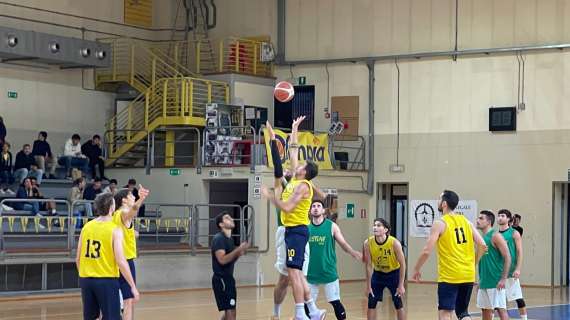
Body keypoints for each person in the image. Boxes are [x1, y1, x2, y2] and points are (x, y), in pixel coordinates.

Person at [262, 116, 326, 320]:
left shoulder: (301, 185)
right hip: (290, 231)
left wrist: (271, 197)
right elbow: (292, 152)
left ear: (303, 171)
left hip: (296, 230)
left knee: (295, 273)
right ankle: (310, 310)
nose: (294, 165)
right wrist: (292, 129)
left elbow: (288, 206)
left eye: (299, 166)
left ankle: (302, 312)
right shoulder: (289, 183)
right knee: (293, 274)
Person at [411, 190, 486, 320]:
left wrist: (416, 269)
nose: (437, 201)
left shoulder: (440, 223)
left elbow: (426, 251)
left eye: (439, 199)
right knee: (462, 313)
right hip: (468, 274)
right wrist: (473, 262)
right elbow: (483, 245)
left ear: (444, 203)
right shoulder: (467, 222)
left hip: (449, 275)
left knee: (445, 312)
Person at [76, 192, 139, 320]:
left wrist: (85, 277)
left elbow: (78, 259)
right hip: (106, 280)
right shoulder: (115, 229)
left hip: (86, 280)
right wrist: (132, 285)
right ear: (111, 208)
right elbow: (121, 261)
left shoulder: (86, 227)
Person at [306, 199, 362, 320]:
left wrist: (353, 252)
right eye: (313, 206)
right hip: (311, 271)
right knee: (307, 305)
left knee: (335, 302)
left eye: (318, 206)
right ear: (310, 211)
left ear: (323, 210)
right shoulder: (306, 228)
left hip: (328, 270)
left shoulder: (331, 226)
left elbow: (343, 243)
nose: (315, 208)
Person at [113, 186, 149, 320]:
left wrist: (133, 233)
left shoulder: (114, 215)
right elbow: (132, 211)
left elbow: (120, 231)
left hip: (113, 261)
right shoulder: (124, 213)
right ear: (124, 200)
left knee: (112, 300)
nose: (133, 197)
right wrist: (141, 199)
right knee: (129, 300)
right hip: (125, 261)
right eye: (131, 196)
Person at [364, 218, 406, 320]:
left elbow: (403, 264)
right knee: (371, 302)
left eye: (378, 225)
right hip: (378, 275)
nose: (375, 227)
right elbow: (369, 265)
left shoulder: (394, 243)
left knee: (398, 303)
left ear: (386, 230)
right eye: (374, 225)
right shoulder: (368, 243)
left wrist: (401, 285)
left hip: (393, 274)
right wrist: (368, 286)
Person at [211, 212, 250, 320]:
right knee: (230, 311)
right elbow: (222, 260)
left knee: (231, 310)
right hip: (221, 279)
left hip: (228, 278)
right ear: (221, 224)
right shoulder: (219, 238)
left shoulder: (230, 239)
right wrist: (238, 249)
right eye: (227, 218)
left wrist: (238, 254)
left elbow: (230, 260)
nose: (231, 219)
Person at [475, 211, 511, 320]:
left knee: (500, 309)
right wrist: (479, 280)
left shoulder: (496, 236)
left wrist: (503, 279)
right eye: (478, 218)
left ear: (489, 222)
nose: (478, 220)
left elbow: (508, 257)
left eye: (481, 218)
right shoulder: (481, 239)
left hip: (495, 281)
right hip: (484, 281)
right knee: (485, 309)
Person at [497, 209, 527, 320]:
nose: (500, 217)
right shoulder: (495, 234)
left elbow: (519, 252)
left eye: (503, 216)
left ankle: (524, 318)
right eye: (499, 215)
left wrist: (518, 268)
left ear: (509, 219)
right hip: (498, 272)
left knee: (518, 298)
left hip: (510, 271)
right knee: (498, 300)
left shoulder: (514, 233)